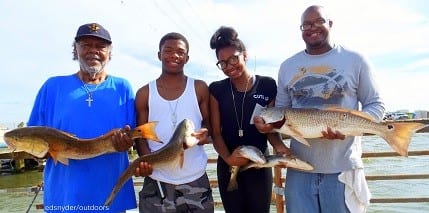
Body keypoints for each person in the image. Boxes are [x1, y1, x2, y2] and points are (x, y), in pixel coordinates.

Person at [254, 5, 385, 213]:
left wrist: (351, 126)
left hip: (342, 169)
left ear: (330, 24)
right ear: (301, 29)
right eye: (306, 24)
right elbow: (281, 109)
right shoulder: (287, 66)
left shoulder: (356, 60)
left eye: (319, 22)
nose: (312, 28)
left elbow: (376, 104)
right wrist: (266, 125)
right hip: (299, 168)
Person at [27, 23, 137, 212]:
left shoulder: (122, 88)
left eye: (100, 46)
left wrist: (125, 142)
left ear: (109, 53)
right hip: (64, 197)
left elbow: (132, 137)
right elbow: (33, 141)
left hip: (110, 197)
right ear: (75, 50)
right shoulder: (52, 87)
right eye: (86, 45)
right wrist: (45, 149)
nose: (93, 51)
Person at [208, 26, 290, 213]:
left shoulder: (267, 85)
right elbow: (215, 133)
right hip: (228, 165)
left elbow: (270, 128)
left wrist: (280, 147)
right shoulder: (216, 89)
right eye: (223, 63)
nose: (229, 66)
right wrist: (229, 159)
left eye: (233, 59)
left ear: (245, 55)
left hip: (259, 163)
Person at [134, 32, 214, 212]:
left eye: (180, 52)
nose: (174, 55)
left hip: (196, 178)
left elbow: (209, 124)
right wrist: (147, 163)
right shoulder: (144, 93)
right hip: (158, 182)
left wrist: (205, 134)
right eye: (168, 50)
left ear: (187, 58)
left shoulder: (200, 87)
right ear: (159, 55)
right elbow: (141, 137)